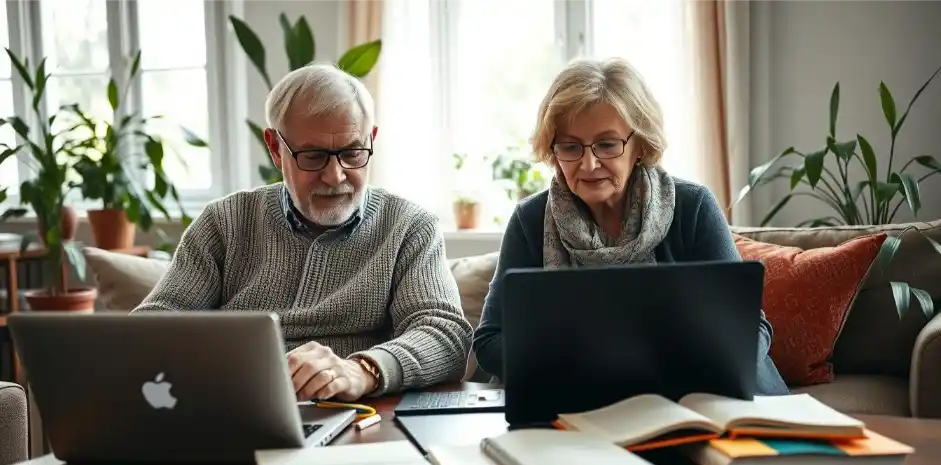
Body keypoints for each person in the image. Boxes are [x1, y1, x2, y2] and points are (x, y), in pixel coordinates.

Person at [134, 63, 473, 403]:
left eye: (353, 153)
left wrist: (362, 370)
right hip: (234, 407)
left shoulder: (409, 226)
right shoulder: (225, 222)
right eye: (313, 156)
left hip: (355, 416)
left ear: (372, 140)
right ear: (275, 148)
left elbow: (445, 335)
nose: (335, 176)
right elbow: (149, 329)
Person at [472, 57, 789, 396]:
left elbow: (750, 330)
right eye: (570, 146)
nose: (589, 163)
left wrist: (674, 366)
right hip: (578, 403)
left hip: (700, 400)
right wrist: (590, 363)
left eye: (607, 144)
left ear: (639, 145)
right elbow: (490, 341)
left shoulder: (693, 207)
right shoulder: (530, 219)